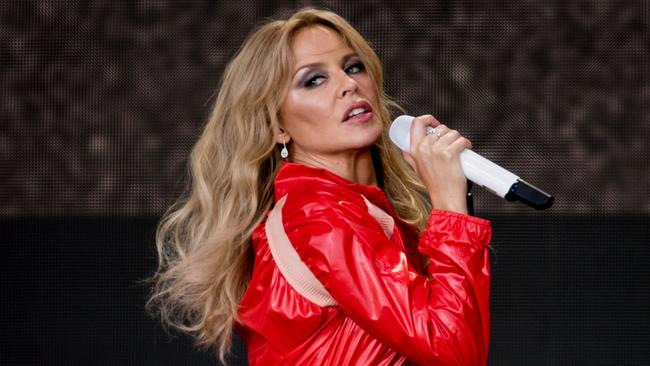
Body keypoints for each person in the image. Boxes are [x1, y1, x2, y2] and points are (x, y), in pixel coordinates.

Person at [148, 8, 492, 366]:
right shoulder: (318, 215)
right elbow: (453, 351)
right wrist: (451, 210)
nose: (348, 85)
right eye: (313, 80)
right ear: (277, 125)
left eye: (353, 67)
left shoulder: (362, 212)